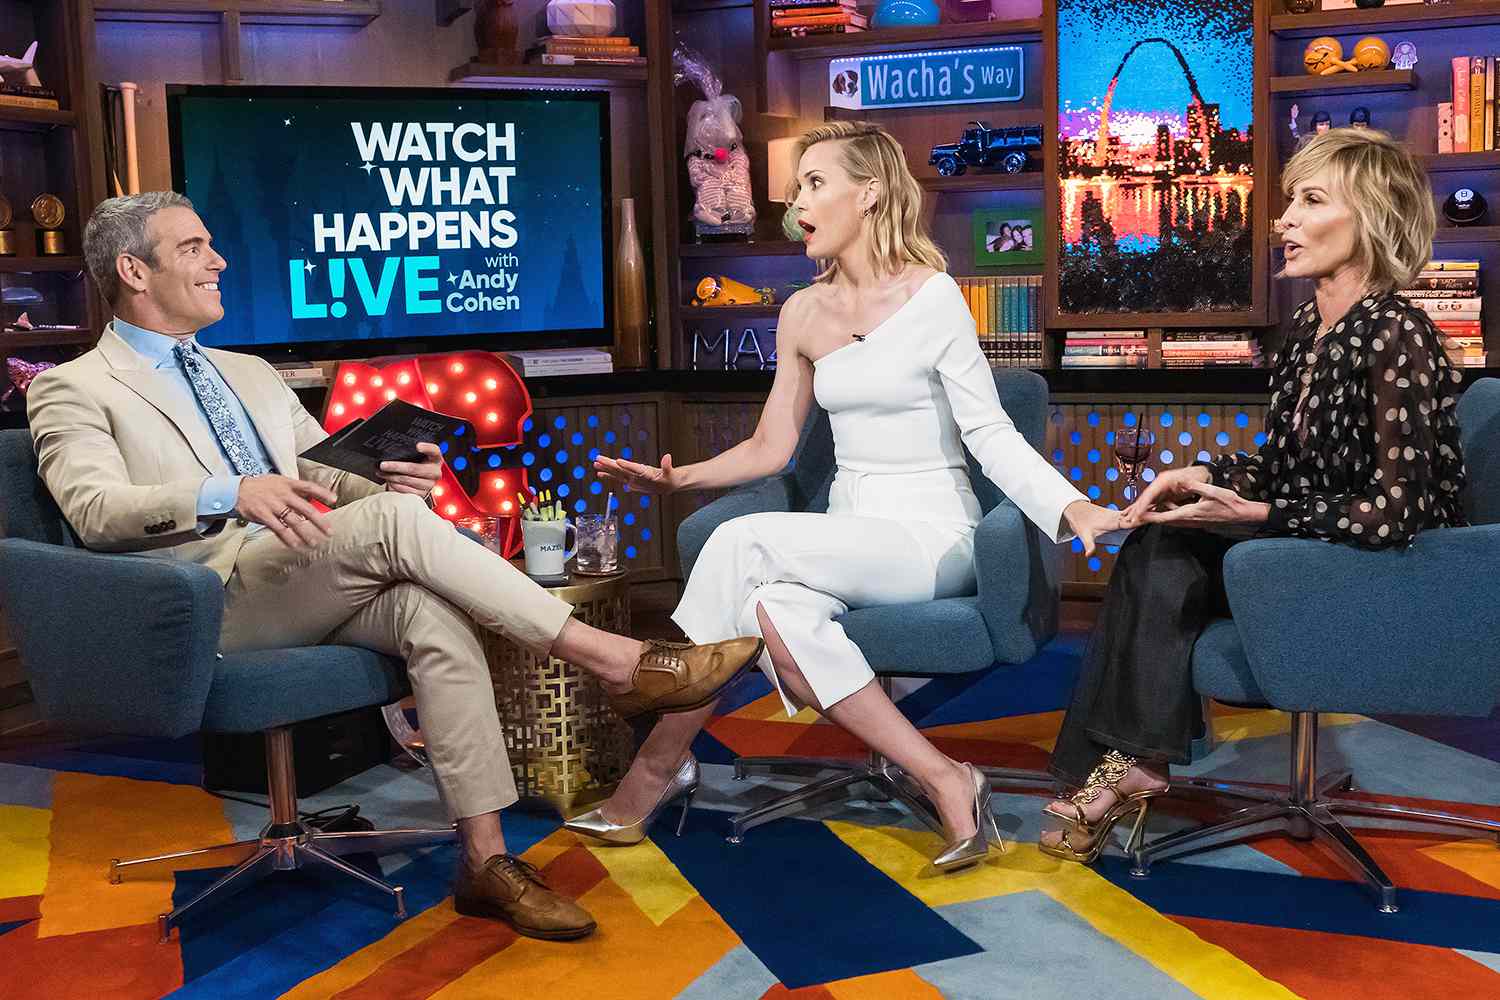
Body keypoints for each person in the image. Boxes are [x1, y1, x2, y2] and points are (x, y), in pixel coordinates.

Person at [26, 192, 764, 940]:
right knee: (392, 526)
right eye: (192, 248)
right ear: (133, 270)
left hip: (301, 571)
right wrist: (232, 491)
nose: (218, 260)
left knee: (431, 610)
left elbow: (325, 476)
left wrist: (386, 477)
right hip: (201, 599)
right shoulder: (74, 385)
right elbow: (95, 508)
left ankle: (485, 862)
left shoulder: (247, 371)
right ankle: (617, 661)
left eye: (213, 243)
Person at [570, 121, 1120, 870]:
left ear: (869, 194)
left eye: (815, 185)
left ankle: (655, 762)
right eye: (797, 190)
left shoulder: (934, 298)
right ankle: (946, 777)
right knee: (773, 611)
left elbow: (990, 433)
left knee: (741, 544)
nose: (797, 205)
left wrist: (1070, 506)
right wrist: (682, 478)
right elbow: (771, 448)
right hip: (850, 532)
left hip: (932, 535)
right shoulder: (802, 311)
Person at [1039, 127, 1467, 863]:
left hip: (1388, 574)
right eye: (1287, 202)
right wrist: (1205, 478)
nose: (1282, 221)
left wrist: (1262, 514)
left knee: (1168, 549)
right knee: (1163, 533)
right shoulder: (1307, 328)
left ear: (1370, 218)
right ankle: (1130, 761)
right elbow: (1285, 464)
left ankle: (1126, 766)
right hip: (1309, 548)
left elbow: (1401, 514)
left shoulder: (1399, 333)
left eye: (1310, 201)